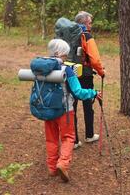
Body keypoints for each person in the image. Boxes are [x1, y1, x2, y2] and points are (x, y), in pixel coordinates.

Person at [44, 39, 102, 182]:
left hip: (47, 109)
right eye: (65, 54)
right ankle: (63, 164)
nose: (66, 57)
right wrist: (93, 93)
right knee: (68, 138)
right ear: (59, 53)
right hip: (65, 110)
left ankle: (52, 168)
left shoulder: (43, 67)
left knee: (51, 139)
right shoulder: (67, 70)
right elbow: (78, 92)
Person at [73, 11, 105, 149]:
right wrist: (101, 72)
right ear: (84, 23)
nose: (91, 25)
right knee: (87, 105)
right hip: (85, 74)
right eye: (90, 22)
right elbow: (95, 59)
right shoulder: (87, 36)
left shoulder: (69, 35)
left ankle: (73, 140)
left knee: (71, 107)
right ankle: (89, 135)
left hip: (70, 74)